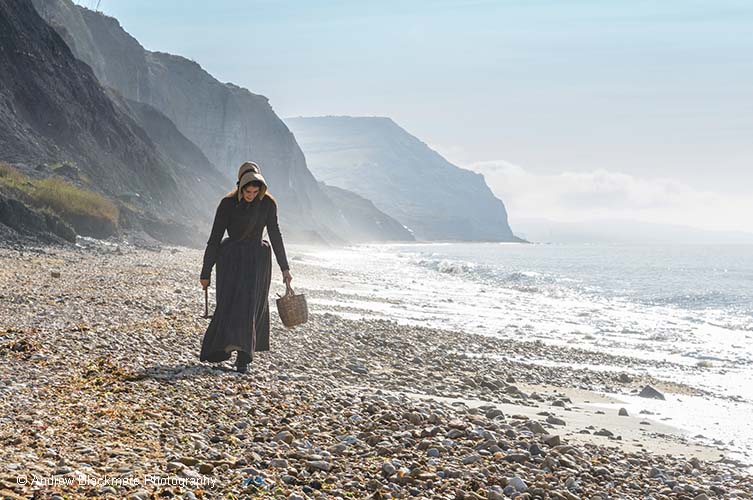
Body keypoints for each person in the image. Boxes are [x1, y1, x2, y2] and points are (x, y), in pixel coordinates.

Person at [199, 161, 292, 373]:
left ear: (261, 187)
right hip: (230, 260)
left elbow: (276, 235)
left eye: (255, 190)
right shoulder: (227, 204)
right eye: (247, 190)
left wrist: (285, 268)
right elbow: (214, 238)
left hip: (257, 262)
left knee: (250, 306)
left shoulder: (268, 204)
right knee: (229, 304)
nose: (251, 194)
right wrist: (205, 272)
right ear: (240, 186)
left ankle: (244, 357)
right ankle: (224, 348)